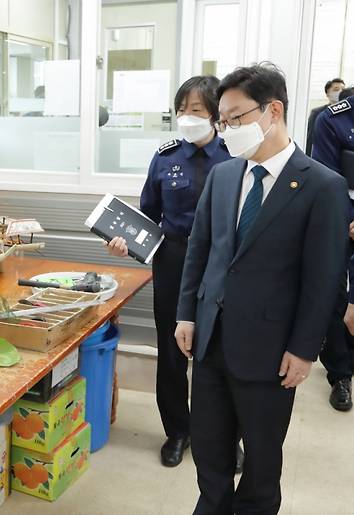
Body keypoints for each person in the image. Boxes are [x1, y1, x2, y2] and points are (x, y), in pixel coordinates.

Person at [175, 63, 348, 514]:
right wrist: (186, 314)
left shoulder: (322, 186)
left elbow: (323, 278)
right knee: (209, 451)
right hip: (211, 341)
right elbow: (201, 250)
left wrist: (305, 349)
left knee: (261, 464)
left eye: (235, 118)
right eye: (222, 121)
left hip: (272, 353)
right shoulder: (224, 175)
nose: (226, 129)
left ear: (273, 111)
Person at [107, 76, 242, 469]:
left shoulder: (235, 157)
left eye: (196, 110)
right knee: (171, 352)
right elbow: (147, 217)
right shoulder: (166, 157)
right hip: (174, 260)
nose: (187, 117)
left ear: (217, 115)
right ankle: (178, 431)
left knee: (217, 353)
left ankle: (221, 436)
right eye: (182, 109)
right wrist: (123, 241)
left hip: (222, 262)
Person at [311, 87, 354, 411]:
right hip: (344, 224)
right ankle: (341, 374)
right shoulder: (333, 120)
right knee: (335, 297)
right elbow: (328, 180)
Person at [305, 78, 345, 156]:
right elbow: (310, 139)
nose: (340, 92)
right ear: (327, 93)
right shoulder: (317, 113)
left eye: (343, 89)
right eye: (336, 89)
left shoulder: (347, 114)